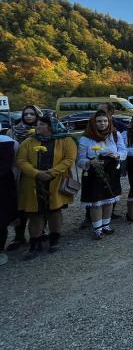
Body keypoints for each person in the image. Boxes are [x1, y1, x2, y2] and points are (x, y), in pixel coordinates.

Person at [17, 115, 77, 257]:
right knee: (35, 214)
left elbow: (69, 159)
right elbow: (21, 160)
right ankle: (34, 244)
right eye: (37, 125)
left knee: (54, 212)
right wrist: (37, 173)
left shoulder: (66, 140)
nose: (37, 127)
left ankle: (54, 238)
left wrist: (51, 172)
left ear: (51, 126)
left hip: (55, 181)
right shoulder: (28, 142)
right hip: (33, 182)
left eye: (41, 124)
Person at [78, 110, 127, 239]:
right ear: (93, 122)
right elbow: (79, 161)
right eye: (99, 121)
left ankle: (106, 225)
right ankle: (97, 229)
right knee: (96, 201)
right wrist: (89, 161)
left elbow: (123, 151)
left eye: (105, 121)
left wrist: (117, 155)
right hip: (93, 172)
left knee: (109, 199)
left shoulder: (115, 134)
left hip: (111, 170)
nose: (102, 123)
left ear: (109, 121)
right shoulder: (86, 137)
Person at [5, 105, 44, 251]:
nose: (28, 116)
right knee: (20, 203)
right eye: (26, 114)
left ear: (37, 116)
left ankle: (40, 232)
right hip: (18, 171)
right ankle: (19, 236)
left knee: (39, 201)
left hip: (38, 169)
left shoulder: (43, 130)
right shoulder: (13, 131)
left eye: (31, 114)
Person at [0, 125, 19, 265]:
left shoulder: (8, 142)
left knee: (2, 218)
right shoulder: (10, 142)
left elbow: (14, 165)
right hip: (6, 183)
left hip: (4, 185)